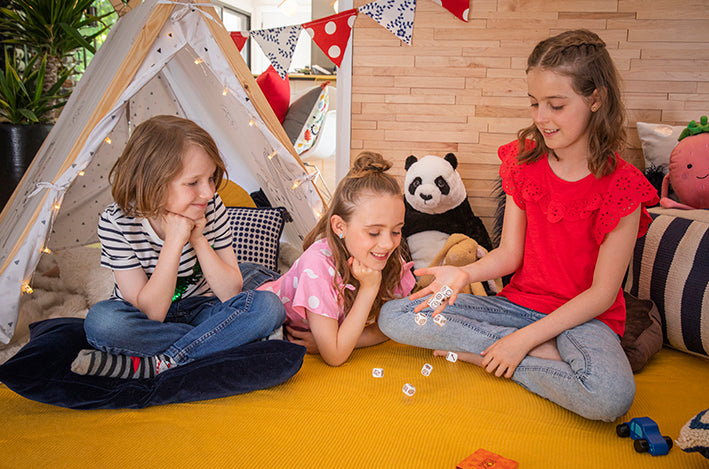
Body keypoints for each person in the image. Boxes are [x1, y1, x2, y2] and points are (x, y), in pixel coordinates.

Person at [378, 29, 659, 421]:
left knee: (610, 397)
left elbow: (600, 294)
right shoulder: (523, 162)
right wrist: (463, 275)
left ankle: (492, 354)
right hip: (516, 308)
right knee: (397, 316)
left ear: (596, 99)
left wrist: (521, 342)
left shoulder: (624, 185)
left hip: (584, 321)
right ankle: (524, 356)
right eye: (534, 104)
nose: (541, 118)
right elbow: (510, 254)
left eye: (556, 105)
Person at [71, 115, 285, 379]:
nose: (207, 192)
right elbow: (151, 314)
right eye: (193, 183)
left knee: (269, 306)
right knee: (102, 323)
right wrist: (173, 242)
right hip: (143, 324)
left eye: (210, 178)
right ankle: (227, 341)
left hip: (204, 309)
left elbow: (231, 292)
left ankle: (163, 362)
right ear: (152, 183)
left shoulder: (211, 205)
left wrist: (198, 239)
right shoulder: (117, 222)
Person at [258, 151, 415, 366]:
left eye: (396, 231)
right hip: (259, 303)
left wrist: (341, 339)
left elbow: (392, 325)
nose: (388, 243)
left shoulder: (390, 258)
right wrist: (369, 289)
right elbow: (335, 355)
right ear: (340, 227)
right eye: (374, 232)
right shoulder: (318, 267)